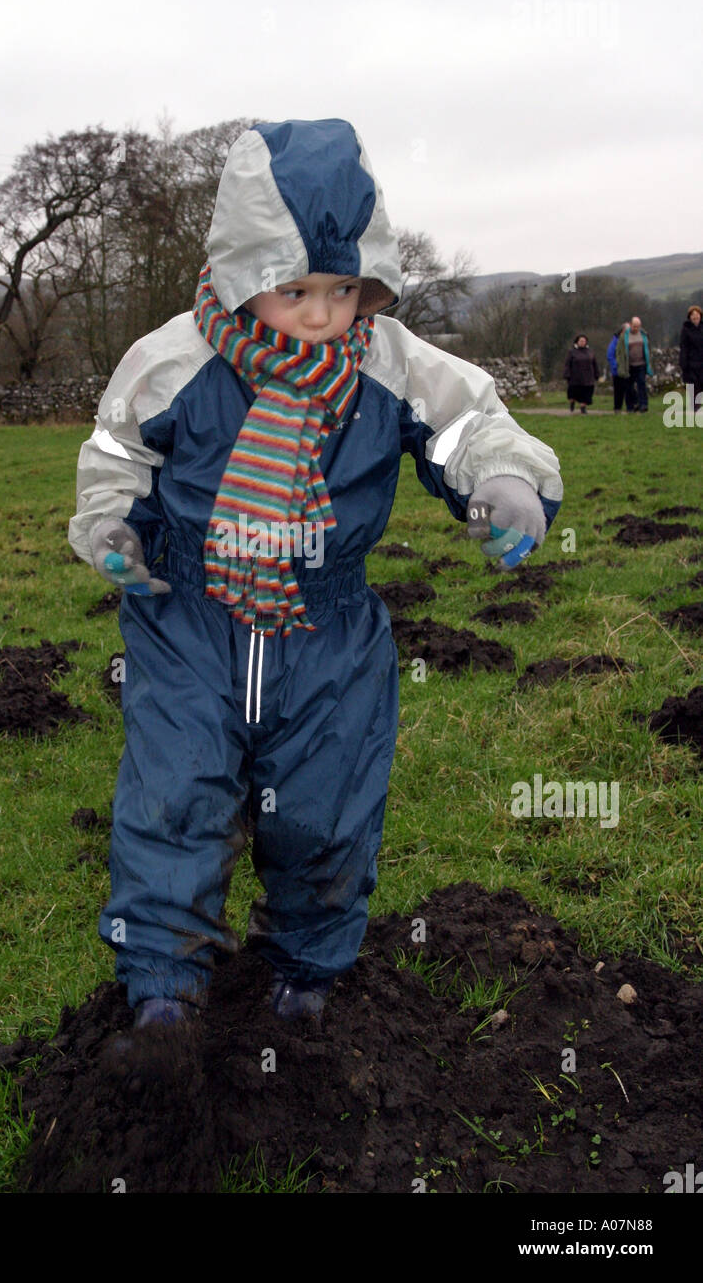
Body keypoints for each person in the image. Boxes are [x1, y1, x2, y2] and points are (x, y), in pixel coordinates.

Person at [67, 118, 564, 1033]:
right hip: (189, 621)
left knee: (324, 812)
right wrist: (110, 525)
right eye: (293, 289)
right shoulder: (175, 359)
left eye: (344, 288)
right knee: (176, 795)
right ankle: (162, 988)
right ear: (241, 273)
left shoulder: (386, 360)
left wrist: (505, 479)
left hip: (329, 635)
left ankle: (303, 972)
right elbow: (119, 451)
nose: (323, 313)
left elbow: (467, 418)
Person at [615, 315, 652, 412]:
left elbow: (648, 348)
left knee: (641, 384)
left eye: (638, 326)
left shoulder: (644, 335)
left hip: (641, 364)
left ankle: (643, 404)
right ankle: (630, 406)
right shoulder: (624, 337)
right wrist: (620, 363)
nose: (636, 328)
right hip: (629, 365)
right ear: (631, 325)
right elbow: (619, 351)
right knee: (629, 386)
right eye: (634, 326)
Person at [563, 333, 599, 413]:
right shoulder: (572, 352)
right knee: (573, 393)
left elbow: (594, 363)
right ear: (577, 342)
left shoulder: (590, 352)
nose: (582, 342)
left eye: (584, 341)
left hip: (588, 377)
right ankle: (572, 402)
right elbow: (567, 364)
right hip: (575, 377)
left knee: (586, 393)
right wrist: (566, 374)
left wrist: (596, 374)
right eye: (581, 341)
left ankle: (583, 407)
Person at [607, 322, 637, 412]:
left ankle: (632, 406)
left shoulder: (630, 340)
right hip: (618, 370)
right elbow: (610, 355)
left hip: (628, 369)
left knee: (630, 388)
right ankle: (617, 408)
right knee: (618, 390)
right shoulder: (615, 341)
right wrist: (617, 366)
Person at [679, 303, 703, 412]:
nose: (695, 317)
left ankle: (698, 406)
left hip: (701, 361)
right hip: (690, 362)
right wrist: (684, 363)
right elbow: (683, 347)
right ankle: (693, 407)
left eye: (697, 314)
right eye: (693, 315)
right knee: (692, 385)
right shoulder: (686, 330)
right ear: (689, 317)